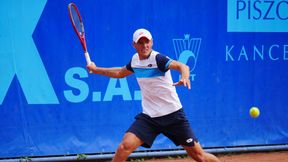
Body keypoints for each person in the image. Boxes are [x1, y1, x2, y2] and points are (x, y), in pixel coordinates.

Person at [87, 28, 220, 162]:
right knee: (124, 147)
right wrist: (96, 69)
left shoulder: (158, 59)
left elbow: (182, 66)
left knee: (200, 157)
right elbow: (119, 73)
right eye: (140, 42)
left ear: (152, 42)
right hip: (150, 117)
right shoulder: (135, 61)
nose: (145, 45)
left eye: (147, 42)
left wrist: (185, 77)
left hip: (173, 115)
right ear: (134, 45)